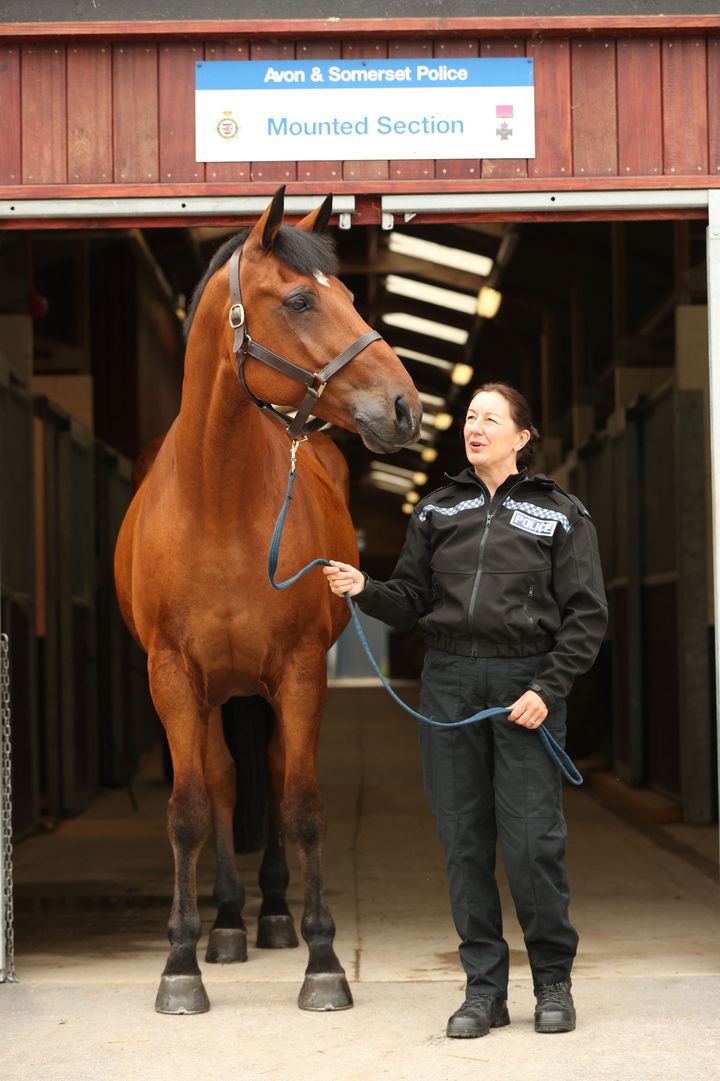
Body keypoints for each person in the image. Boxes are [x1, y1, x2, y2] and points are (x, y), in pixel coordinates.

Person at [323, 382, 607, 1038]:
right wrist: (367, 588)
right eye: (470, 418)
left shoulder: (560, 513)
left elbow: (588, 616)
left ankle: (553, 981)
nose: (475, 428)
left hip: (525, 686)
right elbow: (412, 598)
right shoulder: (435, 511)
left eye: (490, 418)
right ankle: (485, 989)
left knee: (535, 842)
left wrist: (547, 687)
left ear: (521, 435)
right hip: (449, 680)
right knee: (464, 843)